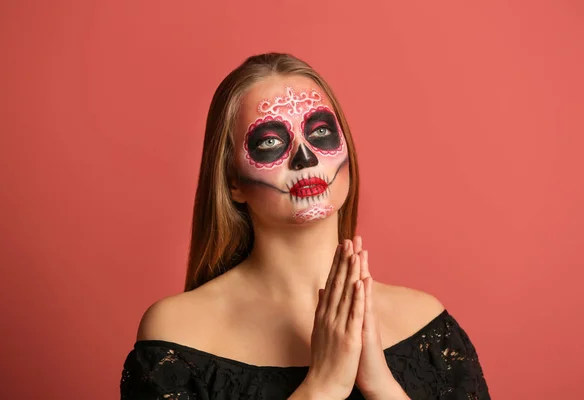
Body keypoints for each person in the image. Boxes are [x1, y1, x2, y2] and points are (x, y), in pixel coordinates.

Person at [120, 53, 490, 400]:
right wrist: (323, 387)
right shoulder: (177, 334)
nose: (305, 157)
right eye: (270, 141)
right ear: (232, 181)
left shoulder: (426, 323)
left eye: (319, 132)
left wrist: (382, 387)